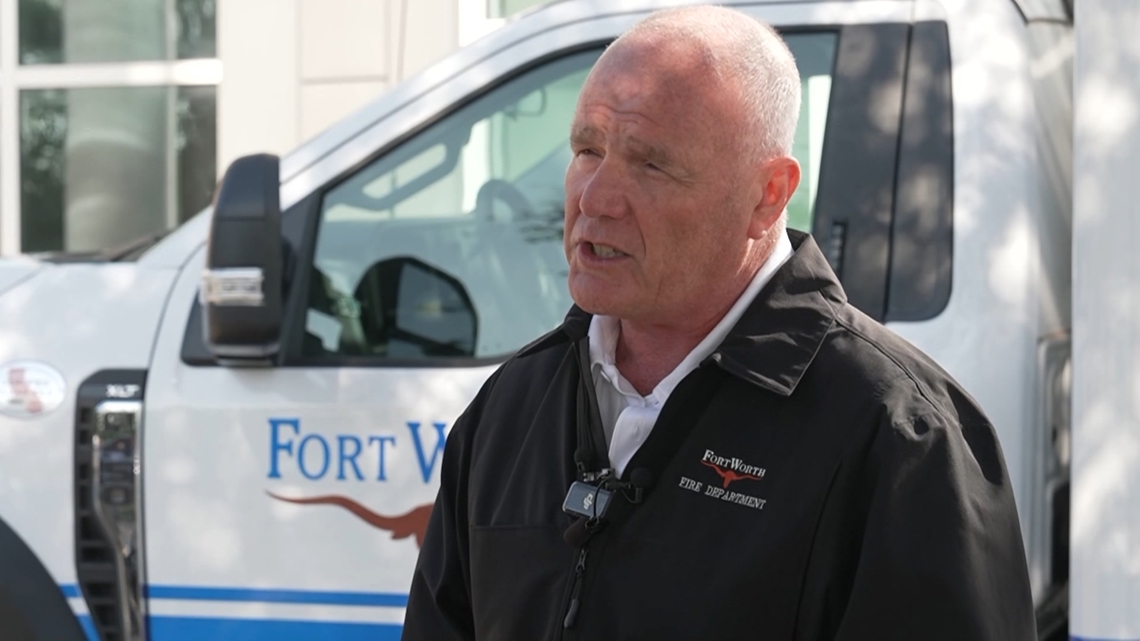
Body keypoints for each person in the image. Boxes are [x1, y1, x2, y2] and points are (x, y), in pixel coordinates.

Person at [402, 6, 1036, 640]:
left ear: (768, 195)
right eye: (587, 150)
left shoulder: (902, 441)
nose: (593, 198)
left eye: (650, 164)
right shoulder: (508, 411)